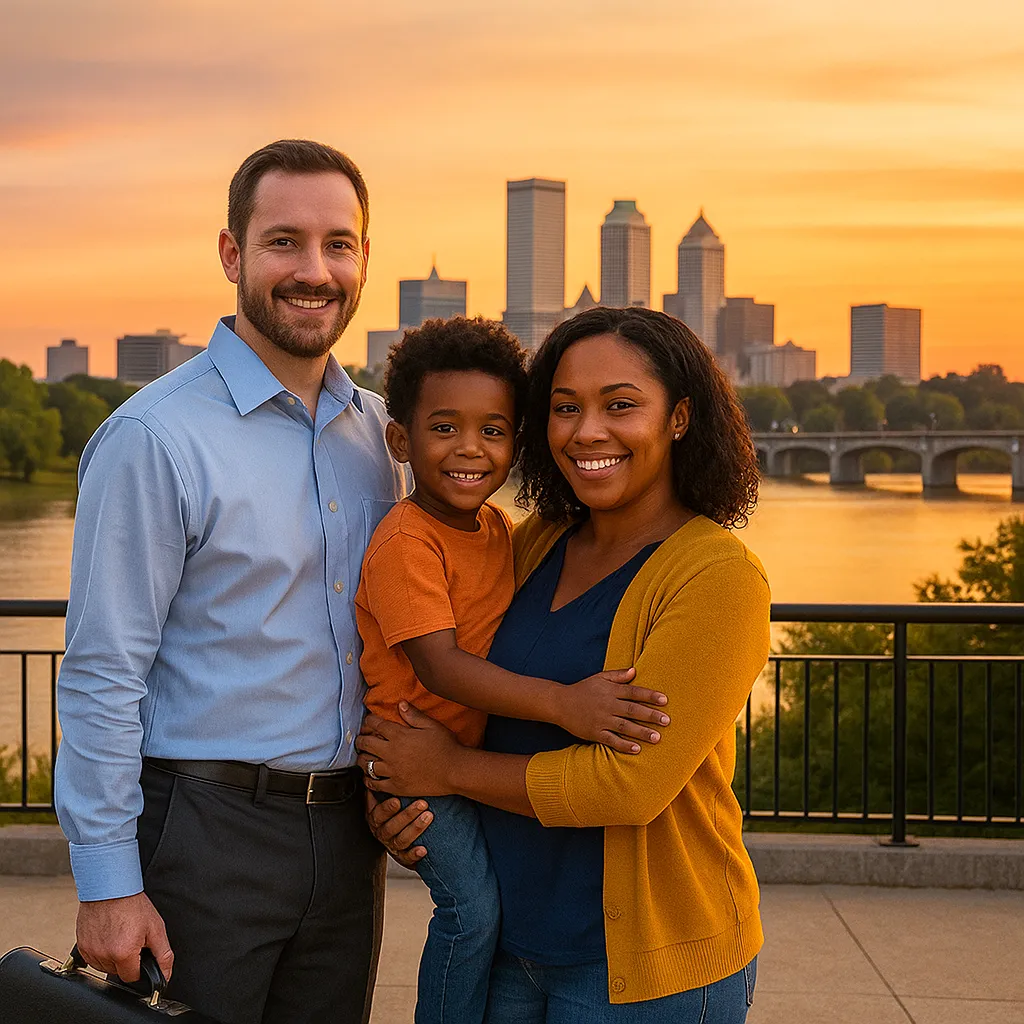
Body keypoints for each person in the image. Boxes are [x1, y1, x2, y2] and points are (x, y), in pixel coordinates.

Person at [54, 139, 408, 1024]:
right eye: (283, 241)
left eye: (338, 243)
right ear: (231, 254)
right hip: (202, 831)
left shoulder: (380, 439)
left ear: (364, 258)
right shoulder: (156, 439)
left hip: (346, 837)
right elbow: (103, 671)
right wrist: (107, 885)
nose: (313, 270)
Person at [358, 306, 770, 1023]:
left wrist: (447, 770)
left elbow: (629, 786)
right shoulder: (533, 541)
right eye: (564, 408)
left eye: (620, 406)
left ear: (678, 418)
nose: (588, 432)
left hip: (645, 968)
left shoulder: (717, 576)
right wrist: (397, 792)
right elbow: (444, 680)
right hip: (512, 944)